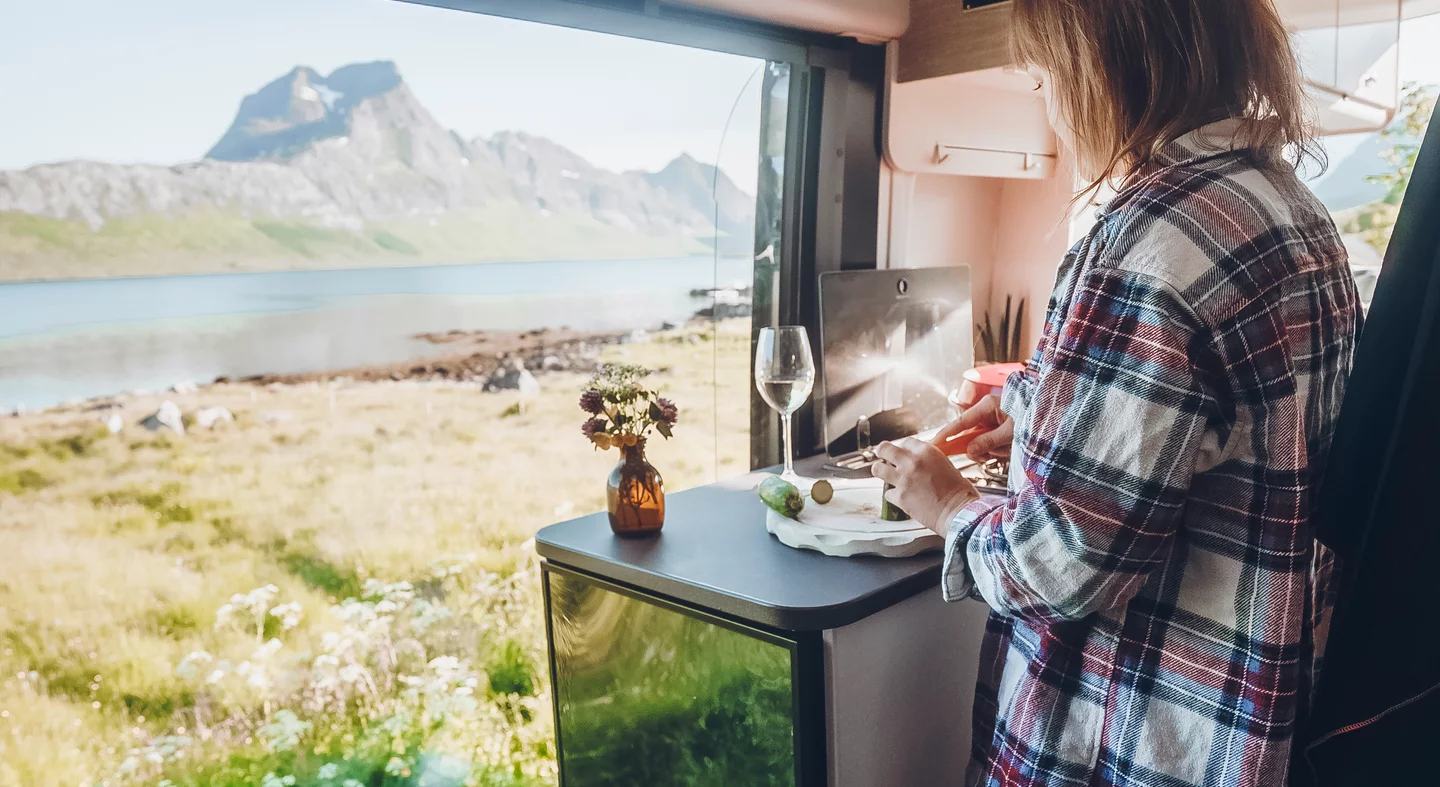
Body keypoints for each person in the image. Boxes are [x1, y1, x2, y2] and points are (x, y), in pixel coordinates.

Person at [871, 1, 1362, 785]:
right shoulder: (1290, 210)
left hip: (1134, 735)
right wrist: (1033, 404)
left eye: (1043, 78)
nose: (1052, 106)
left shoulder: (1148, 241)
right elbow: (1213, 420)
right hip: (1239, 724)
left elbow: (1059, 567)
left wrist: (946, 505)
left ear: (1101, 62)